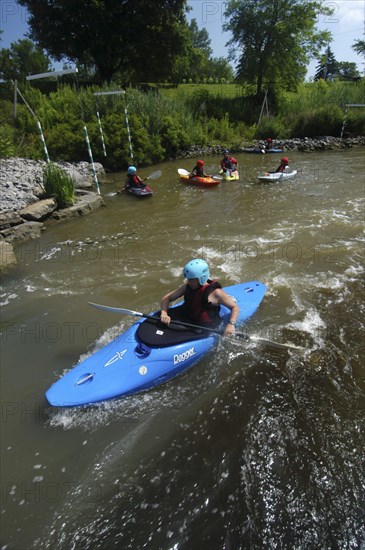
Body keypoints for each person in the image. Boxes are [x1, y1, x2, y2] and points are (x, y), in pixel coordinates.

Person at [160, 258, 239, 336]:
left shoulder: (216, 293)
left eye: (192, 280)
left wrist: (231, 324)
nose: (189, 282)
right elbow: (167, 298)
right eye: (188, 279)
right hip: (187, 318)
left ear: (202, 277)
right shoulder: (187, 286)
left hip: (204, 327)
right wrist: (164, 313)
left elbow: (234, 307)